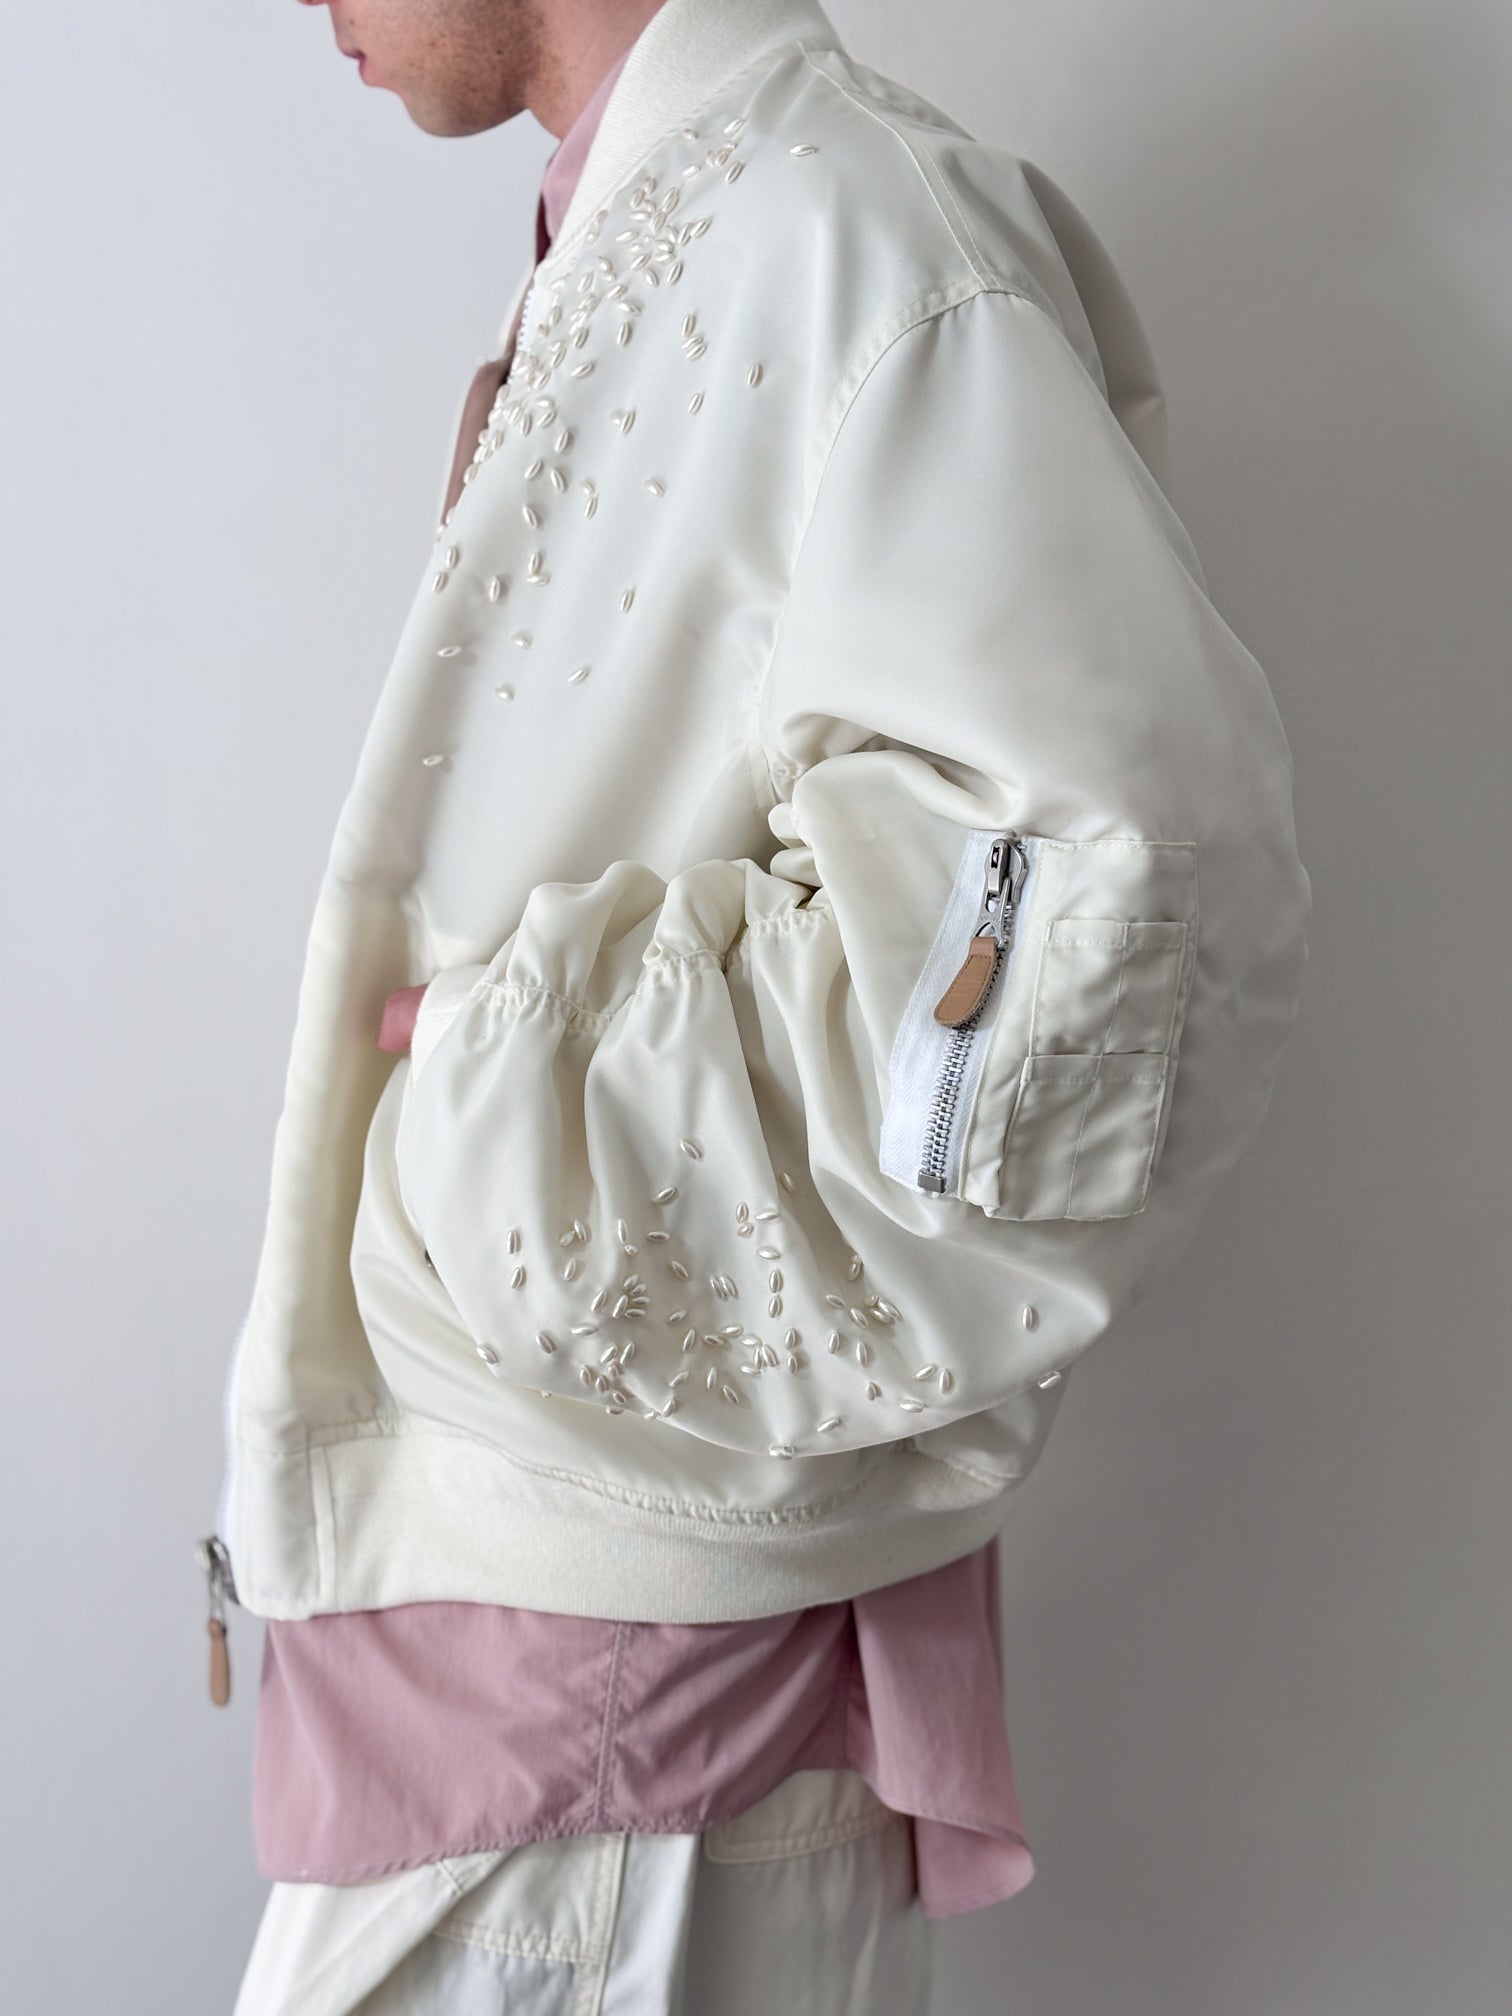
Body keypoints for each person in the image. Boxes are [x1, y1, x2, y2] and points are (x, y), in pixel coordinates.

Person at [216, 0, 1312, 2007]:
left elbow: (1118, 904)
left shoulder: (858, 231)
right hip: (553, 1653)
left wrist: (511, 1098)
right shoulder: (695, 220)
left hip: (629, 1713)